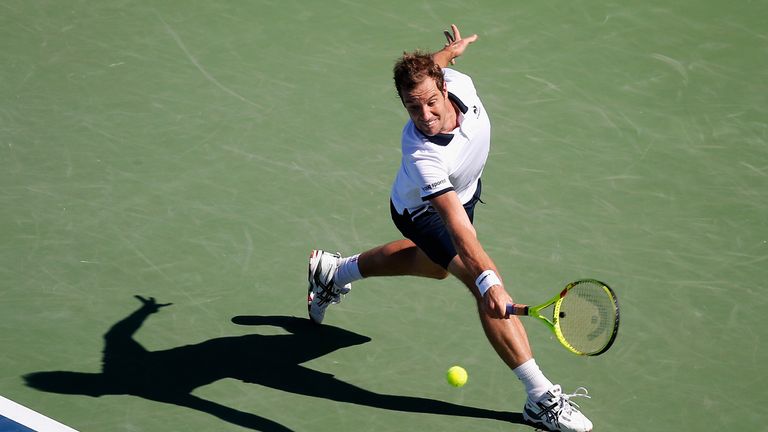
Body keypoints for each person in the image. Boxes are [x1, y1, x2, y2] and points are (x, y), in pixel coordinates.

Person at [307, 24, 593, 432]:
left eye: (431, 102)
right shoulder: (425, 157)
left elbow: (435, 68)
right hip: (426, 213)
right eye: (412, 108)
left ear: (445, 87)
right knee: (480, 283)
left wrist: (448, 52)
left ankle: (336, 272)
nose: (424, 116)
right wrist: (490, 281)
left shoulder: (458, 81)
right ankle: (540, 398)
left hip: (466, 191)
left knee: (435, 267)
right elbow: (457, 227)